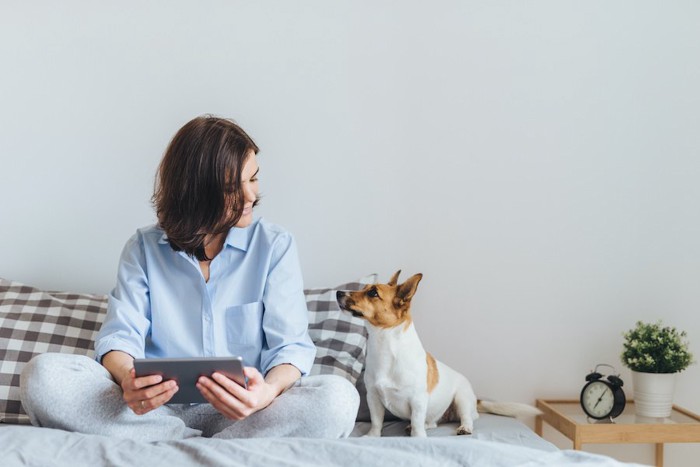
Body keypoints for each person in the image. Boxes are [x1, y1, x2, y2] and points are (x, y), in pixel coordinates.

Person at [20, 115, 359, 441]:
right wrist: (128, 380)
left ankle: (174, 446)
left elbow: (290, 348)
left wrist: (266, 393)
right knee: (43, 377)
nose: (251, 196)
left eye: (253, 178)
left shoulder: (274, 246)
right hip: (153, 412)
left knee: (338, 399)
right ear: (194, 192)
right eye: (231, 187)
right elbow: (120, 338)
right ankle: (200, 444)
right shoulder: (143, 249)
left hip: (247, 414)